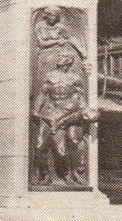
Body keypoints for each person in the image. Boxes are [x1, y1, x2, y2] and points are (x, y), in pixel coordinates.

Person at [30, 52, 98, 189]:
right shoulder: (50, 76)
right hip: (49, 112)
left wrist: (85, 111)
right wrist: (36, 109)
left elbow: (80, 98)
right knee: (38, 147)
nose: (61, 59)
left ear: (69, 62)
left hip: (65, 115)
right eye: (60, 56)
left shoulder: (75, 78)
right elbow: (43, 93)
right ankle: (45, 174)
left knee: (60, 150)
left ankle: (67, 174)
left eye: (65, 57)